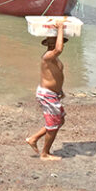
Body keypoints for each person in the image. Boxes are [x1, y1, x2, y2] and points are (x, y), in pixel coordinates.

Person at [27, 22, 66, 161]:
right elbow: (58, 49)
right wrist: (61, 28)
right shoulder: (48, 55)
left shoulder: (55, 59)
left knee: (59, 120)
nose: (55, 44)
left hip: (52, 94)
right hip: (47, 94)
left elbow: (55, 75)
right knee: (54, 124)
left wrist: (60, 90)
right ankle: (45, 153)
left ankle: (34, 138)